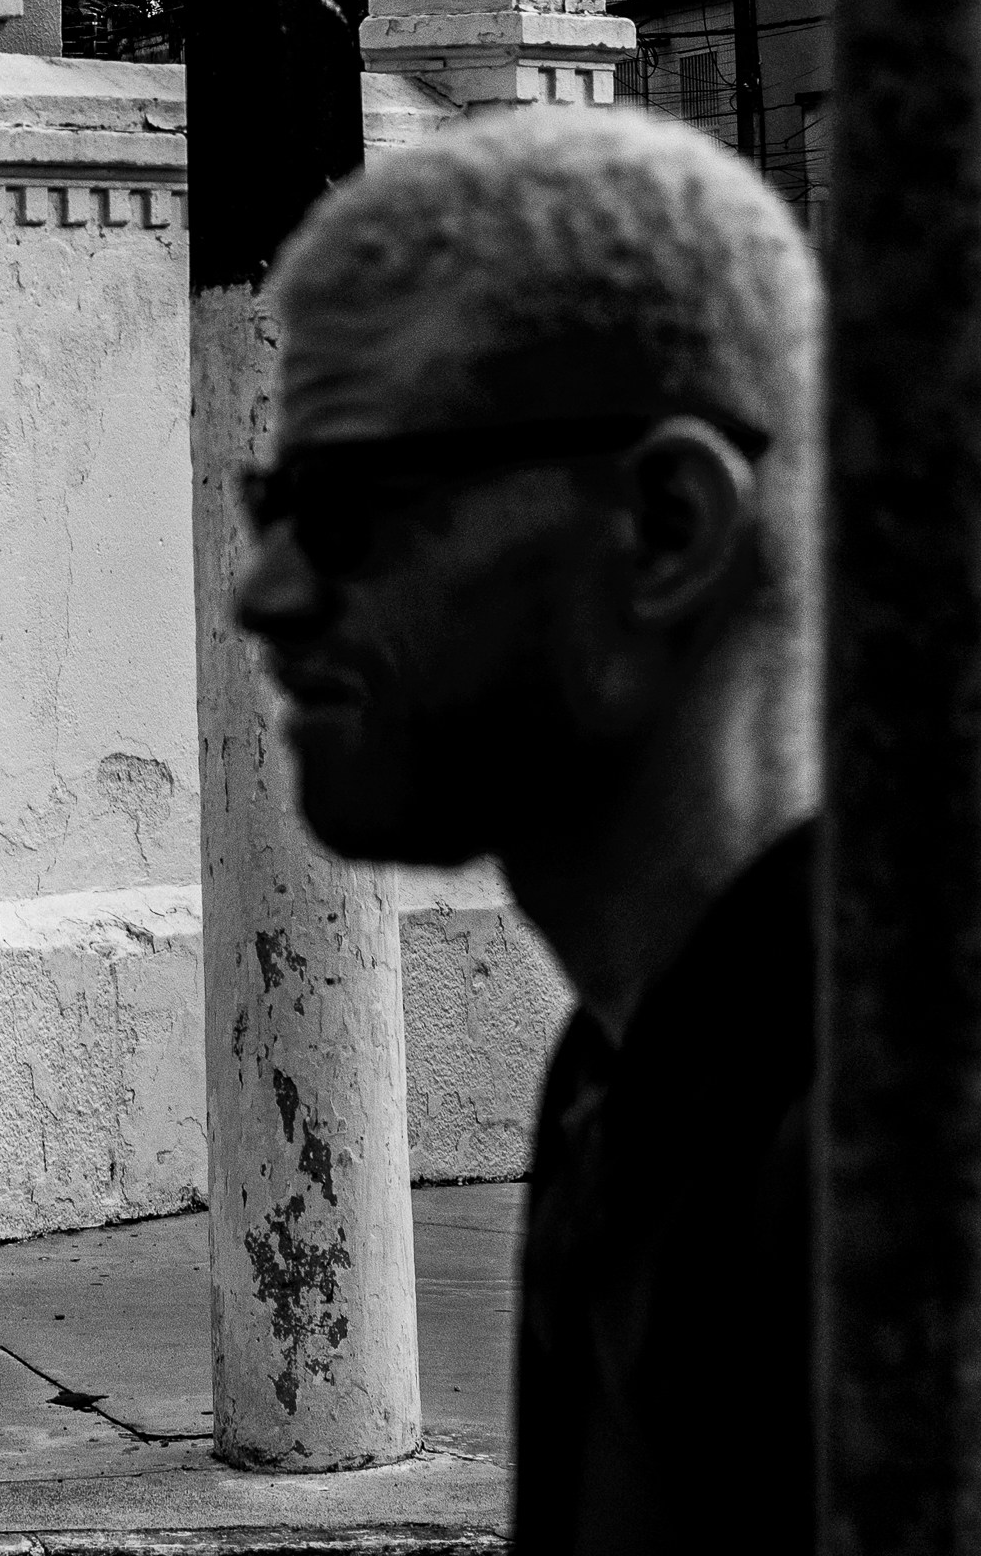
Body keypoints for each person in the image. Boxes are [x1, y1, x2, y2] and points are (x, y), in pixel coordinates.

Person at [235, 104, 821, 1555]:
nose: (267, 593)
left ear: (667, 525)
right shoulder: (628, 1066)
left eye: (352, 507)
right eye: (271, 505)